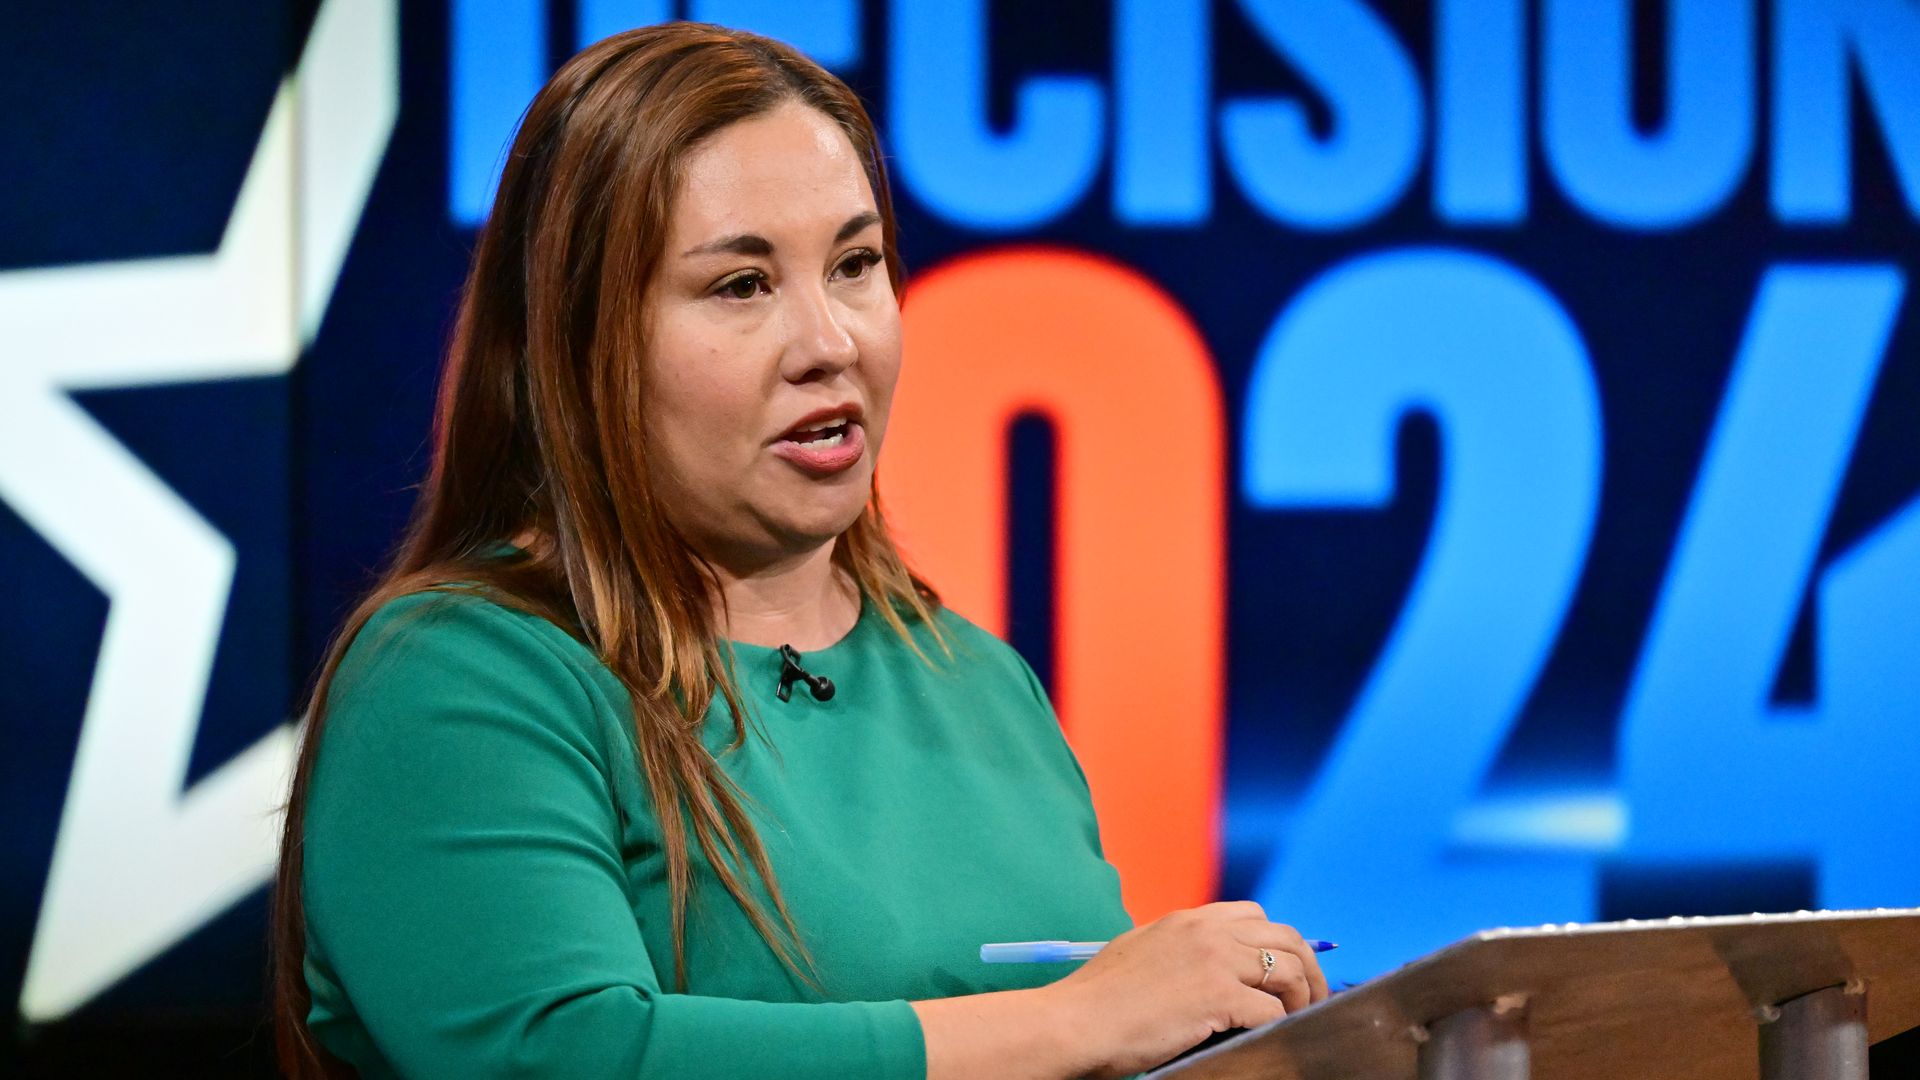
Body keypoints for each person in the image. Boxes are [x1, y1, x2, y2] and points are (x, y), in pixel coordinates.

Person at [270, 22, 1327, 1080]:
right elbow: (568, 1056)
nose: (832, 342)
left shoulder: (977, 679)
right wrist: (1082, 1022)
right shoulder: (462, 675)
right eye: (742, 286)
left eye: (856, 265)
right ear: (583, 345)